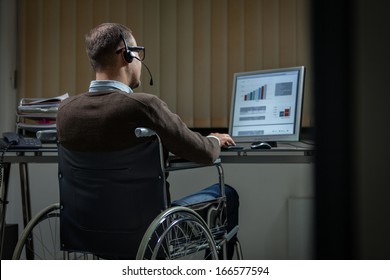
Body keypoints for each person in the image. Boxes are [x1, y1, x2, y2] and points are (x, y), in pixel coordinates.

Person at [56, 23, 239, 259]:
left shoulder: (65, 111)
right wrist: (214, 139)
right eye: (138, 54)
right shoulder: (144, 106)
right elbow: (202, 152)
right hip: (149, 232)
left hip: (88, 231)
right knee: (228, 193)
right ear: (127, 55)